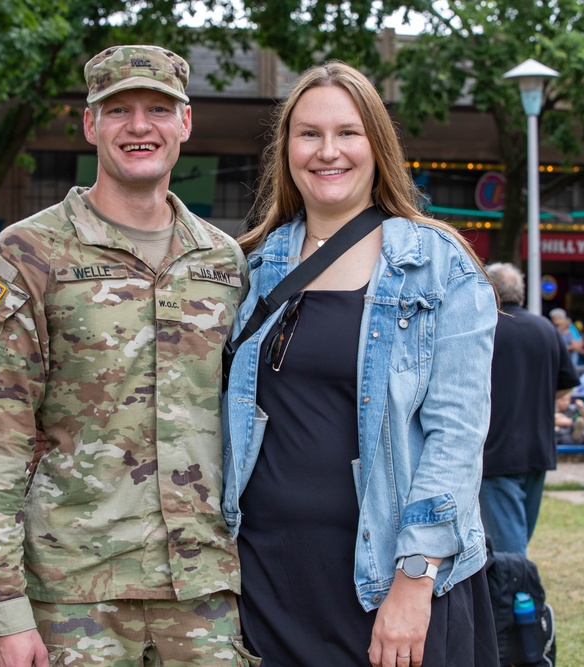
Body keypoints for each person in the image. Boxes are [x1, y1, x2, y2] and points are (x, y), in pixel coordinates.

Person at [0, 45, 249, 666]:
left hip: (205, 593)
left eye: (158, 109)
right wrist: (4, 613)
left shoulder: (223, 262)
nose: (140, 126)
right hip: (72, 596)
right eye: (119, 110)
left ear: (185, 123)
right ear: (91, 125)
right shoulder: (23, 256)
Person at [223, 61, 499, 667]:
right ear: (286, 148)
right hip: (265, 576)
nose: (328, 151)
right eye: (308, 133)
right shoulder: (249, 266)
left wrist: (414, 577)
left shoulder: (439, 265)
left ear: (378, 143)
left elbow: (457, 437)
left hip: (386, 579)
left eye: (347, 132)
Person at [480, 263, 578, 557]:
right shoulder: (546, 329)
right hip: (538, 446)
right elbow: (565, 386)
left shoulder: (484, 326)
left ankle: (520, 601)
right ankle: (515, 596)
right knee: (519, 534)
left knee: (510, 548)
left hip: (497, 448)